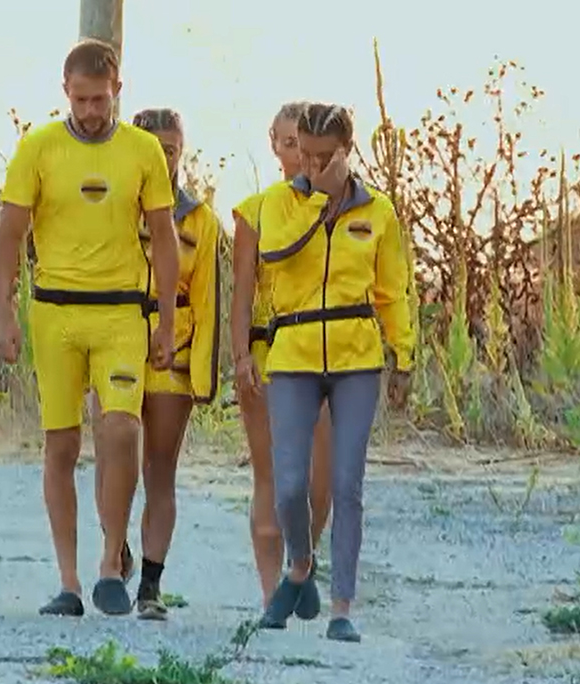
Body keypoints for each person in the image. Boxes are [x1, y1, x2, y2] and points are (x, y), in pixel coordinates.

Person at [0, 38, 179, 618]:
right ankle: (68, 581)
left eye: (100, 99)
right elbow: (8, 234)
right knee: (62, 443)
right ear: (65, 93)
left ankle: (110, 563)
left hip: (121, 310)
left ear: (117, 90)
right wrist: (3, 310)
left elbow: (165, 237)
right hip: (56, 312)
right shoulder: (39, 147)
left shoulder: (142, 151)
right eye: (81, 100)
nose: (91, 111)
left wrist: (167, 320)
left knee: (121, 429)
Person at [230, 103, 414, 642]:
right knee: (289, 486)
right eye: (304, 154)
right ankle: (300, 564)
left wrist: (403, 355)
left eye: (322, 157)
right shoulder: (277, 206)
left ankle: (341, 609)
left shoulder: (378, 212)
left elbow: (392, 291)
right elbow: (273, 255)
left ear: (347, 152)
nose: (310, 165)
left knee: (346, 484)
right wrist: (316, 199)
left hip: (357, 360)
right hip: (293, 357)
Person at [88, 107, 221, 621]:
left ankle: (150, 584)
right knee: (110, 456)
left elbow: (207, 299)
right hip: (113, 338)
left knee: (159, 469)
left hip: (173, 352)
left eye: (171, 149)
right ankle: (114, 547)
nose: (163, 158)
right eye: (154, 148)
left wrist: (203, 376)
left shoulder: (199, 220)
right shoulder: (112, 204)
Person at [232, 102, 335, 624]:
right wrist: (239, 356)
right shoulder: (255, 211)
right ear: (274, 144)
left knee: (319, 480)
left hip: (326, 351)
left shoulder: (341, 207)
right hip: (269, 350)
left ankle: (303, 564)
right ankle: (271, 590)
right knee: (271, 476)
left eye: (307, 145)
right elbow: (242, 291)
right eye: (289, 143)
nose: (300, 155)